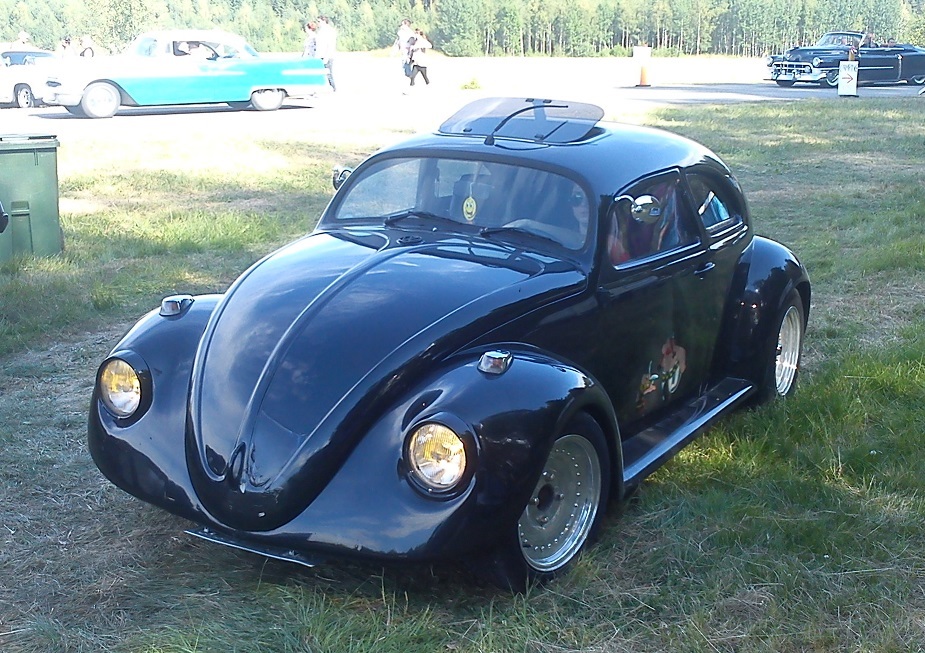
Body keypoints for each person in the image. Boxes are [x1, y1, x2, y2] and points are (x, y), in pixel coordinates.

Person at [315, 16, 337, 91]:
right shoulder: (321, 31)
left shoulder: (329, 31)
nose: (318, 23)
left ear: (324, 21)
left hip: (327, 56)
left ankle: (333, 88)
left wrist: (326, 57)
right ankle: (320, 88)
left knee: (328, 73)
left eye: (319, 21)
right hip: (321, 55)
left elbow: (330, 45)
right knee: (320, 73)